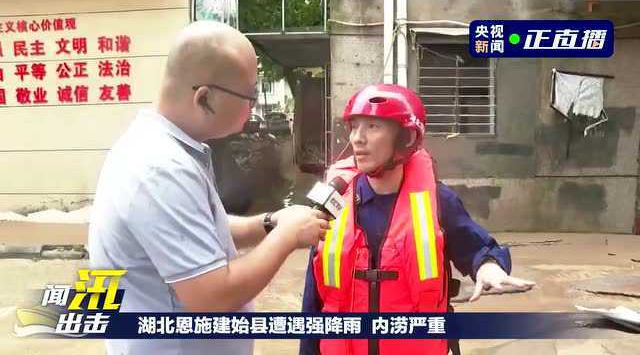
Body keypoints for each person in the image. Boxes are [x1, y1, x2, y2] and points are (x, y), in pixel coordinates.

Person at [88, 21, 329, 355]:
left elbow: (201, 227)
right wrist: (286, 237)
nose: (252, 107)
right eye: (250, 96)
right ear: (205, 98)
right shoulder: (161, 169)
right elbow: (212, 296)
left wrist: (270, 222)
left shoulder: (167, 149)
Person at [299, 84, 535, 355]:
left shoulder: (437, 200)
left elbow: (476, 247)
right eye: (354, 127)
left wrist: (487, 266)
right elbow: (314, 294)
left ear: (405, 138)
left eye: (373, 127)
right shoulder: (334, 200)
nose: (357, 139)